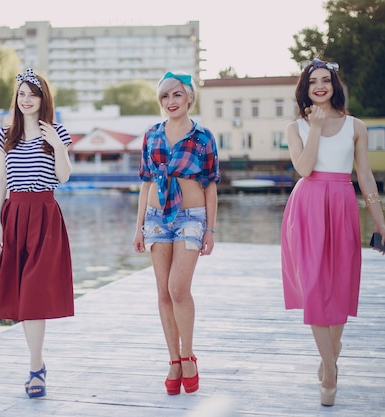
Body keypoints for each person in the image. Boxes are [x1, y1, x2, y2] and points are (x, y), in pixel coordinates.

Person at [281, 59, 385, 406]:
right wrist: (313, 127)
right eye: (314, 81)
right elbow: (304, 168)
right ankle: (330, 371)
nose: (320, 86)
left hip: (342, 205)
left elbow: (366, 176)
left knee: (339, 286)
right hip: (307, 206)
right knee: (313, 287)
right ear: (305, 88)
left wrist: (380, 219)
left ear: (335, 85)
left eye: (326, 80)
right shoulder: (295, 127)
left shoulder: (355, 126)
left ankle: (332, 352)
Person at [0, 68, 74, 399]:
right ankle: (37, 365)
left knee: (34, 290)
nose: (26, 99)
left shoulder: (57, 132)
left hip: (45, 215)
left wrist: (58, 146)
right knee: (23, 293)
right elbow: (0, 180)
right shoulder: (7, 136)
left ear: (43, 98)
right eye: (21, 94)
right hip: (15, 214)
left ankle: (36, 367)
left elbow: (64, 177)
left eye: (32, 93)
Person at [133, 71, 221, 395]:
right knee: (162, 292)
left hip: (191, 218)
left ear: (189, 98)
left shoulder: (203, 137)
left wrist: (210, 228)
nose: (170, 102)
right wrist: (139, 226)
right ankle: (173, 360)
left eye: (176, 95)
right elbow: (145, 182)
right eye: (165, 97)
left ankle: (188, 355)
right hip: (156, 217)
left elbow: (210, 185)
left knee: (177, 287)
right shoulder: (151, 135)